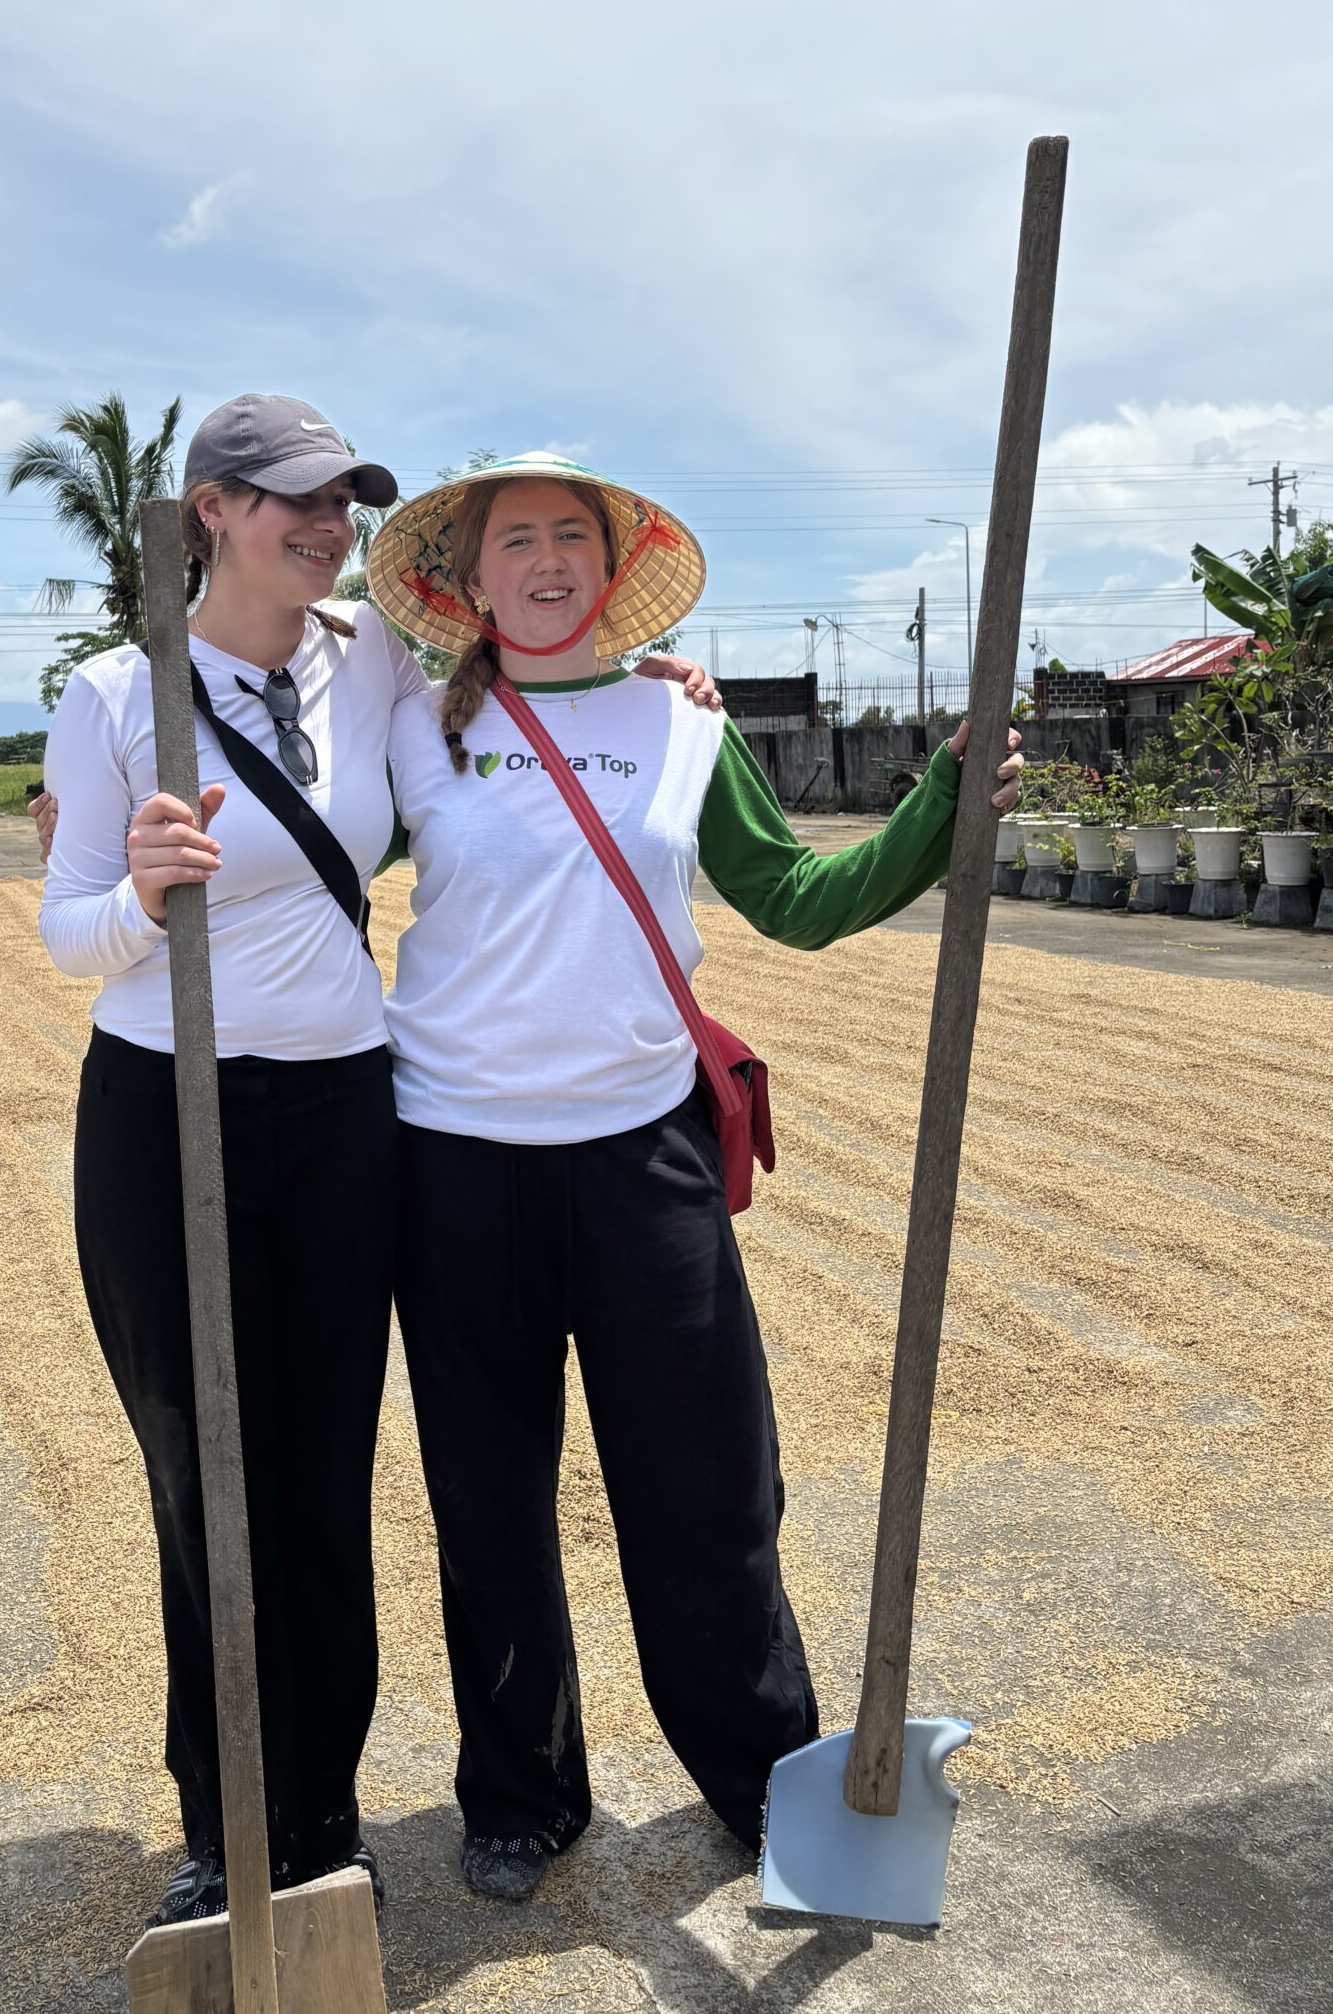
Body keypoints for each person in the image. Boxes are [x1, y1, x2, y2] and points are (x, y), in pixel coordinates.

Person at [35, 393, 719, 1931]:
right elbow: (66, 923)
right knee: (205, 1474)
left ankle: (323, 1815)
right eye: (289, 498)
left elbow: (527, 703)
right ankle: (227, 1820)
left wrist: (662, 689)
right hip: (166, 1108)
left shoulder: (381, 664)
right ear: (209, 509)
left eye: (341, 500)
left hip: (349, 1111)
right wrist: (141, 893)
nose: (324, 523)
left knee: (325, 1475)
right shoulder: (112, 692)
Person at [366, 455, 1024, 1902]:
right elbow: (307, 852)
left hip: (640, 1158)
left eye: (569, 538)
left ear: (611, 568)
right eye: (512, 541)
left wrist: (941, 804)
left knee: (711, 1488)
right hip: (453, 1163)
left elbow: (793, 897)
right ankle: (523, 1793)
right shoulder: (414, 727)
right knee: (488, 1500)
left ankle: (768, 1785)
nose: (543, 560)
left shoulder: (681, 723)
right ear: (467, 583)